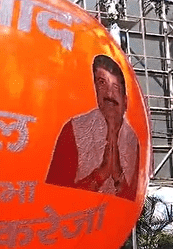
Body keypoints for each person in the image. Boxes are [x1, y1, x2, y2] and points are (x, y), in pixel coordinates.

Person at [46, 54, 139, 201]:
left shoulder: (133, 140)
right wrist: (99, 176)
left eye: (116, 87)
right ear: (95, 89)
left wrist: (118, 176)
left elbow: (133, 200)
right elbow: (54, 196)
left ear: (126, 100)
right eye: (102, 83)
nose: (109, 93)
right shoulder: (74, 130)